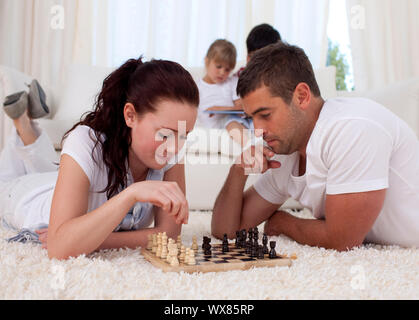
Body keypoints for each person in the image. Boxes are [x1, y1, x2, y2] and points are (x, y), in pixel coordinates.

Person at [211, 41, 419, 250]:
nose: (258, 130)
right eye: (252, 118)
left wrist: (284, 222)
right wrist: (238, 170)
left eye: (265, 115)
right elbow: (225, 231)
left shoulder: (351, 128)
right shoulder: (284, 151)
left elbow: (343, 240)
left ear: (302, 96)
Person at [0, 57, 199, 260]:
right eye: (165, 134)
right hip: (25, 197)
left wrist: (92, 240)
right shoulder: (86, 140)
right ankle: (23, 123)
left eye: (184, 135)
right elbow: (59, 249)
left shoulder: (171, 152)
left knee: (50, 169)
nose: (175, 147)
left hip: (56, 183)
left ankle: (25, 123)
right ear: (130, 115)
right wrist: (131, 194)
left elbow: (168, 237)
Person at [196, 39, 252, 146]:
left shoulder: (232, 83)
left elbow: (242, 108)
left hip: (230, 127)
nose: (222, 73)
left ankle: (251, 148)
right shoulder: (196, 87)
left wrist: (219, 109)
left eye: (227, 70)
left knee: (233, 123)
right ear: (206, 61)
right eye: (218, 67)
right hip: (208, 131)